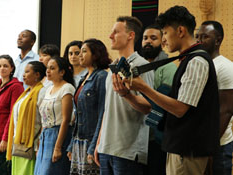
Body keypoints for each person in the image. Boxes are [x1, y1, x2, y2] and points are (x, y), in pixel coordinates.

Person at [123, 6, 220, 175]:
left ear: (180, 31)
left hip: (187, 149)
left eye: (165, 33)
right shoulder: (188, 59)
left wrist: (143, 88)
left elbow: (180, 109)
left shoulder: (196, 61)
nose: (164, 40)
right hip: (182, 148)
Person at [95, 16, 154, 175]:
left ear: (131, 35)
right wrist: (99, 143)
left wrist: (126, 95)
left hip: (127, 151)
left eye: (115, 32)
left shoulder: (141, 65)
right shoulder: (112, 68)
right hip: (106, 148)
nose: (110, 36)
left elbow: (149, 106)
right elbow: (107, 109)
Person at [67, 38, 111, 175]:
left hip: (91, 141)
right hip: (78, 141)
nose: (80, 55)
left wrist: (93, 147)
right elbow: (78, 115)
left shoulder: (102, 76)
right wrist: (71, 145)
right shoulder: (84, 78)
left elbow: (102, 113)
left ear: (96, 55)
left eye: (84, 51)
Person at [196, 20, 233, 175]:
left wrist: (210, 147)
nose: (199, 40)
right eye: (197, 36)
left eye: (205, 37)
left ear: (218, 40)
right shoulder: (199, 65)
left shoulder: (225, 67)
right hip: (199, 144)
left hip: (218, 146)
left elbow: (226, 110)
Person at [141, 24, 177, 175]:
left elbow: (162, 106)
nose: (148, 41)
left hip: (157, 138)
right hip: (141, 137)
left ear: (163, 43)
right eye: (145, 38)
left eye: (153, 38)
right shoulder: (141, 65)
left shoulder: (168, 67)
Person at [34, 57, 75, 175]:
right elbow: (44, 118)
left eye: (52, 68)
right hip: (45, 135)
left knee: (52, 171)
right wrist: (39, 144)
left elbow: (66, 120)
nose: (48, 71)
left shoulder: (67, 88)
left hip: (58, 135)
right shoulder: (48, 89)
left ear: (62, 72)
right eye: (47, 68)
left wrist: (57, 147)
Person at [6, 61, 46, 175]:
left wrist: (39, 142)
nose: (23, 75)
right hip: (18, 142)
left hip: (31, 144)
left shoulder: (42, 91)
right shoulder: (26, 93)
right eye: (24, 72)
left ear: (37, 74)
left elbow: (44, 120)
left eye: (27, 72)